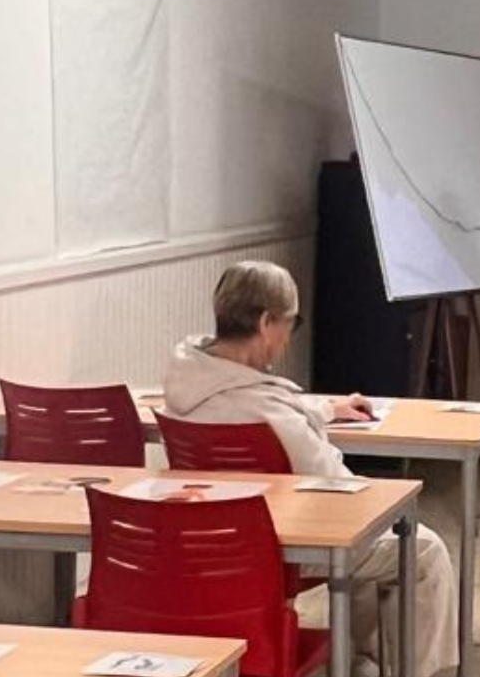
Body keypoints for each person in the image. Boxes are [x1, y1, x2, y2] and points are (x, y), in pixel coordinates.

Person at [163, 261, 459, 677]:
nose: (288, 337)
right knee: (421, 548)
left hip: (207, 541)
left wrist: (324, 409)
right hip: (281, 548)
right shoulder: (269, 410)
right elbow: (336, 485)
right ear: (266, 322)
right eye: (290, 323)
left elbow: (253, 405)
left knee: (368, 546)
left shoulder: (187, 380)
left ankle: (364, 661)